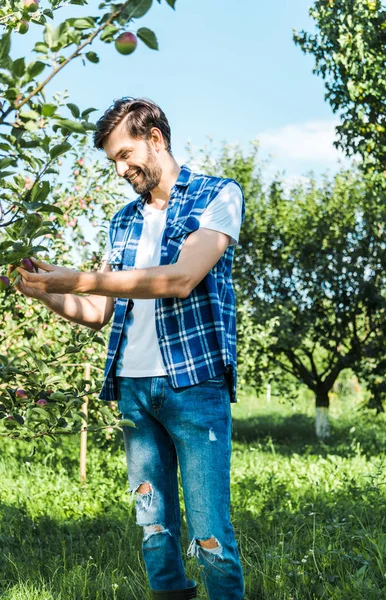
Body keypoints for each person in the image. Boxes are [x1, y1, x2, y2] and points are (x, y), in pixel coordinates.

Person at [16, 97, 245, 600]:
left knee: (209, 534)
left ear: (155, 138)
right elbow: (100, 311)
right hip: (133, 391)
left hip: (194, 384)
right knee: (153, 529)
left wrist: (78, 279)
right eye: (112, 162)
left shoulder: (217, 195)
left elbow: (182, 278)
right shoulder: (123, 220)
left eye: (124, 155)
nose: (120, 170)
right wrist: (45, 288)